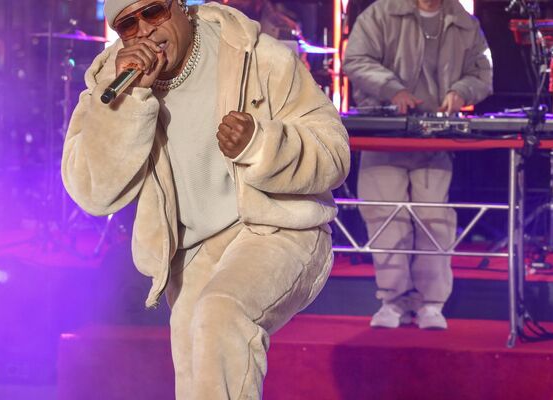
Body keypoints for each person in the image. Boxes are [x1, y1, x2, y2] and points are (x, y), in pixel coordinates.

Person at [61, 0, 350, 398]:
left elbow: (333, 152)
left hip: (278, 226)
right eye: (128, 24)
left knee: (221, 311)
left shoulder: (254, 54)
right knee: (195, 360)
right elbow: (93, 193)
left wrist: (261, 145)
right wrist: (128, 106)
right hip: (197, 250)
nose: (143, 29)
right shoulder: (112, 85)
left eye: (153, 12)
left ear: (180, 6)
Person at [343, 0, 492, 330]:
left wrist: (460, 91)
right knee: (385, 217)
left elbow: (482, 73)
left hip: (435, 139)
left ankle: (431, 303)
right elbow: (355, 60)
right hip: (383, 136)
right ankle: (393, 301)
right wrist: (392, 89)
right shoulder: (380, 14)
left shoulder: (464, 23)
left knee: (433, 218)